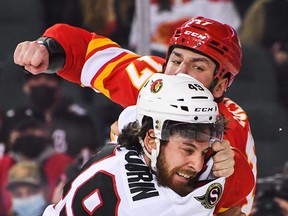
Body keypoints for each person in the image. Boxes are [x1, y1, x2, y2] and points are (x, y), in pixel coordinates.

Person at [13, 16, 256, 215]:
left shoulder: (229, 127)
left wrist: (227, 169)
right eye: (176, 60)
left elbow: (233, 203)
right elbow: (87, 51)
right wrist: (46, 47)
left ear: (220, 85)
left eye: (198, 67)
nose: (180, 73)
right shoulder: (152, 82)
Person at [42, 73, 254, 215]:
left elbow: (130, 117)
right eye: (188, 150)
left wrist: (229, 159)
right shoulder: (136, 203)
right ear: (152, 140)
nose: (197, 164)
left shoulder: (139, 132)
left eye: (204, 151)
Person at [0, 118, 74, 215]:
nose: (25, 198)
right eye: (18, 194)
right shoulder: (3, 164)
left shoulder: (65, 163)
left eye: (32, 192)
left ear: (46, 191)